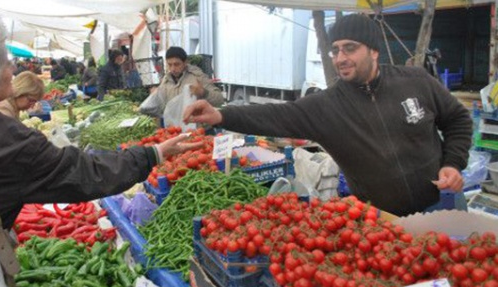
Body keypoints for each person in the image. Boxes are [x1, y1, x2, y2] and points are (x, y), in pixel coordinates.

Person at [0, 17, 201, 287]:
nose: (12, 69)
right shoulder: (4, 139)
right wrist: (153, 154)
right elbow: (82, 173)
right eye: (4, 61)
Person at [183, 14, 472, 217]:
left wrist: (453, 163)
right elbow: (275, 115)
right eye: (335, 50)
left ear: (373, 51)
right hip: (384, 222)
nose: (340, 58)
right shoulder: (327, 106)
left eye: (350, 48)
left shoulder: (416, 81)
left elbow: (458, 119)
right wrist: (221, 116)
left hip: (443, 203)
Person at [157, 46, 224, 109]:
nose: (173, 69)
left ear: (185, 62)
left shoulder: (197, 77)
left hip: (193, 120)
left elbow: (219, 100)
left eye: (177, 64)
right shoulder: (166, 80)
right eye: (169, 65)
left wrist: (204, 93)